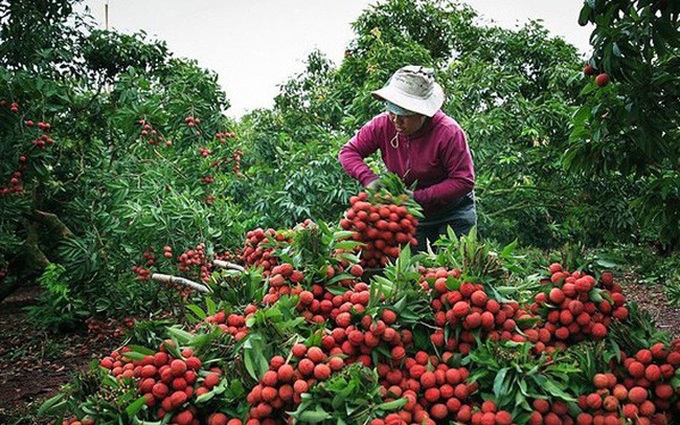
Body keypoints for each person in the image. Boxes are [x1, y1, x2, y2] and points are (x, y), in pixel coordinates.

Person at [338, 65, 476, 251]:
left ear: (423, 114)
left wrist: (419, 197)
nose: (396, 121)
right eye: (392, 113)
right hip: (412, 215)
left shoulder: (448, 133)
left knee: (454, 268)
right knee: (418, 271)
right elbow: (348, 152)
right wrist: (369, 178)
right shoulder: (382, 125)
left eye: (404, 116)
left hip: (453, 212)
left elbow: (463, 180)